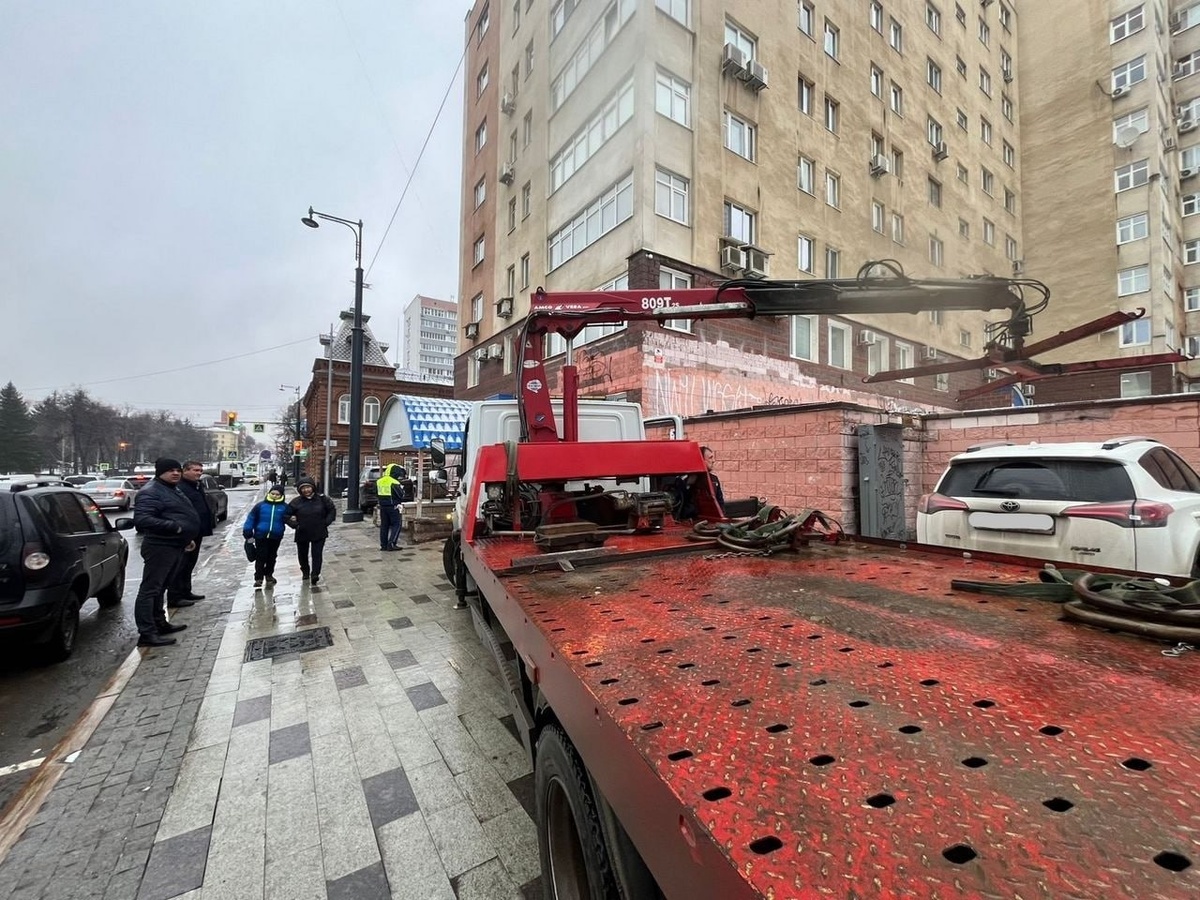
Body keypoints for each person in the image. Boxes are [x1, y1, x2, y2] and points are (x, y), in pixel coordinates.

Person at [132, 458, 201, 647]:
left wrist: (185, 538)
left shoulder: (171, 488)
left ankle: (160, 623)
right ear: (160, 472)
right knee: (150, 590)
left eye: (178, 470)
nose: (176, 473)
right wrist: (176, 528)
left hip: (174, 544)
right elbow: (142, 519)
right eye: (170, 470)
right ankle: (147, 633)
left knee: (161, 587)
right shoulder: (151, 492)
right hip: (160, 546)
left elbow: (178, 512)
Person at [167, 460, 214, 606]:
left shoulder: (196, 485)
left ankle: (186, 591)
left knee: (189, 564)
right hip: (186, 533)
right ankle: (175, 597)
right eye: (195, 470)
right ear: (185, 471)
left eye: (200, 470)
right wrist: (185, 532)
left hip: (196, 531)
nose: (199, 473)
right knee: (181, 565)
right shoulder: (180, 488)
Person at [286, 476, 336, 585]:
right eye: (303, 488)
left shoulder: (323, 499)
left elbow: (331, 510)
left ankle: (315, 574)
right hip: (302, 532)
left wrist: (326, 522)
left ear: (312, 487)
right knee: (302, 554)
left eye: (308, 487)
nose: (306, 490)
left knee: (317, 554)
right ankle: (305, 571)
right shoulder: (296, 502)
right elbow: (286, 515)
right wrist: (295, 525)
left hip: (319, 531)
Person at [243, 484, 288, 588]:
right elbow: (251, 518)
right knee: (261, 556)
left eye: (277, 494)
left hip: (276, 536)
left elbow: (289, 518)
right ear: (269, 493)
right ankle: (258, 578)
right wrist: (247, 530)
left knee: (272, 556)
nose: (274, 496)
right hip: (261, 536)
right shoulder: (260, 506)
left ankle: (269, 575)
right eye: (273, 493)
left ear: (281, 495)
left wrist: (295, 521)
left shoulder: (284, 507)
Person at [675, 446, 726, 520]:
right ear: (701, 459)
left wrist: (722, 518)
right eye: (710, 458)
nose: (713, 461)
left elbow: (720, 502)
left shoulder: (714, 480)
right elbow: (680, 503)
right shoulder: (685, 480)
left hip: (711, 521)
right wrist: (688, 484)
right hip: (691, 521)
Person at [375, 463, 406, 551]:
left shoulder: (379, 481)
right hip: (393, 506)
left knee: (384, 526)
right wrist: (402, 489)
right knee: (397, 524)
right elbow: (401, 495)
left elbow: (376, 493)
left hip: (383, 506)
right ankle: (392, 544)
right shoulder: (394, 482)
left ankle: (383, 545)